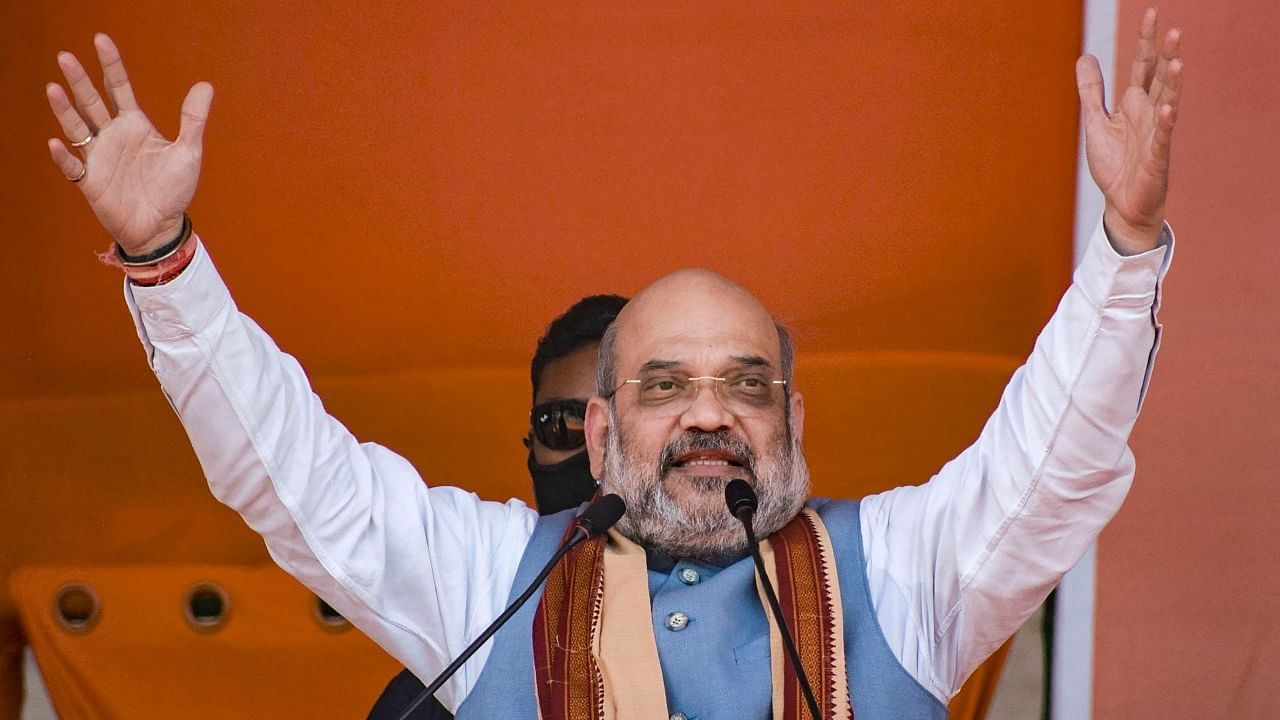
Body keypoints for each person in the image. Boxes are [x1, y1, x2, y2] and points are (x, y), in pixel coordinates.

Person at [44, 9, 1181, 718]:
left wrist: (1125, 251)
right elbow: (292, 478)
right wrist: (163, 260)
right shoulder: (490, 579)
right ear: (594, 437)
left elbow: (1054, 455)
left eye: (746, 384)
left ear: (792, 421)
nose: (709, 413)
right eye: (663, 384)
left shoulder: (902, 572)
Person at [367, 294, 626, 719]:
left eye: (618, 427)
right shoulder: (444, 683)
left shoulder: (764, 615)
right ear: (531, 445)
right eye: (563, 424)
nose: (594, 453)